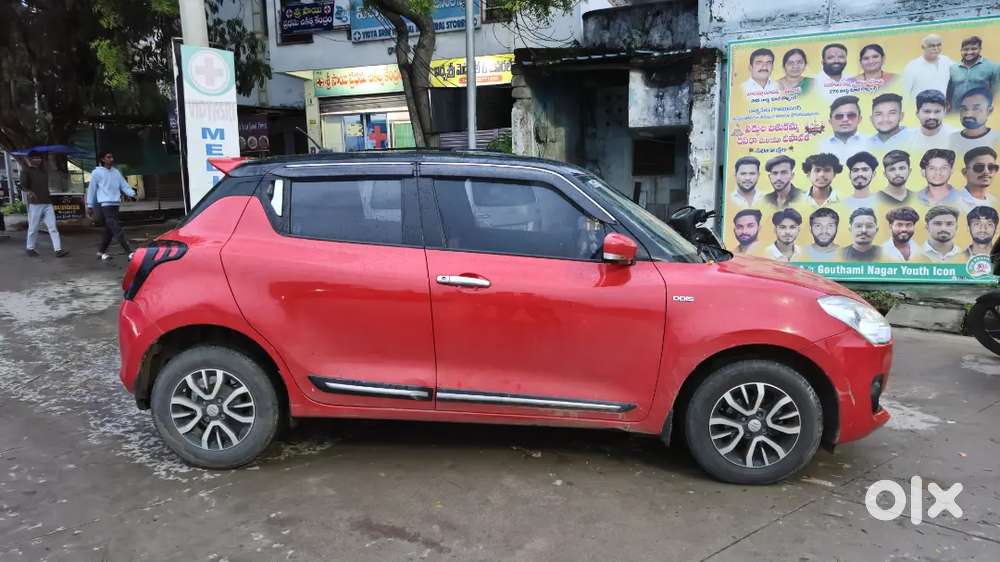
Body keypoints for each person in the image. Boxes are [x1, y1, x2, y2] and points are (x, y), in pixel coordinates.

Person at [87, 150, 137, 261]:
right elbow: (92, 190)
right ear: (102, 159)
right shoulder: (97, 173)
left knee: (109, 230)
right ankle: (129, 252)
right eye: (108, 157)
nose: (111, 159)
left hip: (115, 204)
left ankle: (101, 252)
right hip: (106, 205)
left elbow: (123, 185)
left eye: (112, 157)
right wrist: (90, 205)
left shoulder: (116, 172)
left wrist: (132, 193)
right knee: (116, 229)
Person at [20, 151, 68, 258]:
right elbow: (23, 185)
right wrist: (29, 192)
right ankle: (30, 248)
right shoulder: (26, 170)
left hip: (47, 202)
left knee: (53, 227)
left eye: (39, 158)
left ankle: (58, 250)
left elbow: (51, 169)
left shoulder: (43, 170)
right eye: (35, 158)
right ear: (30, 159)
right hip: (35, 203)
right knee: (33, 227)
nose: (38, 160)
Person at [946, 36, 998, 110]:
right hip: (957, 111)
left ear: (980, 49)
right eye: (966, 49)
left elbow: (996, 91)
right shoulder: (953, 68)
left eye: (974, 49)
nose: (969, 52)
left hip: (980, 111)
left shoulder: (993, 67)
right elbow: (949, 91)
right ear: (961, 50)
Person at [901, 34, 954, 99]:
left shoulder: (947, 61)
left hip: (944, 104)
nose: (936, 48)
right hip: (920, 105)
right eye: (932, 46)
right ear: (923, 47)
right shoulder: (912, 66)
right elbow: (904, 92)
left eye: (938, 45)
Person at [950, 88, 998, 156]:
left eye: (976, 109)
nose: (968, 114)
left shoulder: (997, 139)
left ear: (989, 111)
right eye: (964, 109)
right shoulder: (951, 139)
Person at [822, 95, 868, 161]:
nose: (845, 119)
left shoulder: (871, 143)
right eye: (839, 116)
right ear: (830, 121)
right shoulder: (822, 145)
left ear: (859, 119)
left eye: (851, 115)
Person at [959, 146, 999, 211]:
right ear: (965, 172)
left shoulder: (995, 202)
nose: (986, 172)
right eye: (979, 167)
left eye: (991, 167)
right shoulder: (955, 202)